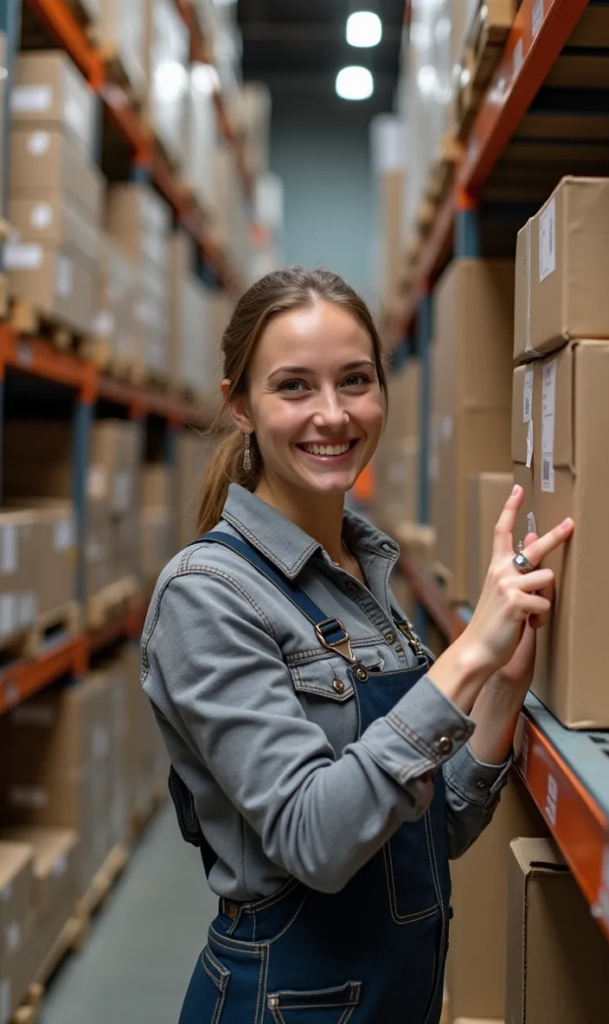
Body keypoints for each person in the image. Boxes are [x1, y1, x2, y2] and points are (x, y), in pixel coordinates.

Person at [141, 267, 573, 1024]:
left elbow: (424, 837)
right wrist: (466, 654)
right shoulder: (205, 595)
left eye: (355, 380)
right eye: (294, 387)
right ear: (239, 405)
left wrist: (501, 686)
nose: (333, 415)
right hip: (284, 1004)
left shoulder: (361, 570)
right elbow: (318, 838)